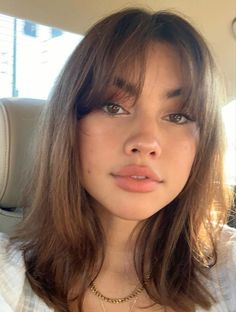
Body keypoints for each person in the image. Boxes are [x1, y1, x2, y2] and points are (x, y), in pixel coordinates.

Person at [0, 7, 235, 312]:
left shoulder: (226, 269)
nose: (146, 141)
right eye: (113, 107)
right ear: (69, 122)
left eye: (178, 116)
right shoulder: (11, 277)